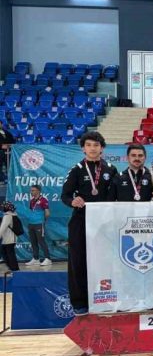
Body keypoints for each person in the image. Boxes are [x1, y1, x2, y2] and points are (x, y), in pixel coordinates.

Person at [62, 131, 119, 315]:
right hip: (81, 220)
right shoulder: (77, 169)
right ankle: (80, 303)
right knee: (78, 261)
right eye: (88, 145)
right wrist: (72, 201)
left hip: (105, 222)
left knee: (105, 260)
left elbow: (118, 194)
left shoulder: (111, 169)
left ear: (102, 148)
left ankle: (106, 297)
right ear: (83, 148)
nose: (92, 148)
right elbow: (65, 195)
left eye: (96, 145)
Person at [25, 184, 51, 266]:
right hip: (31, 223)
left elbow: (47, 213)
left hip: (39, 223)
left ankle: (48, 259)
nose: (31, 192)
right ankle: (36, 259)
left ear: (38, 191)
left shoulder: (43, 200)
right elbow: (32, 211)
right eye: (31, 190)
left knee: (41, 241)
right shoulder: (32, 200)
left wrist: (42, 220)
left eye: (33, 190)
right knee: (33, 242)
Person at [0, 202, 19, 271]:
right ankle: (14, 268)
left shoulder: (7, 216)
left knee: (9, 254)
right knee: (7, 253)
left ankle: (14, 269)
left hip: (9, 238)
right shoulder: (12, 215)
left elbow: (2, 228)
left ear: (6, 208)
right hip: (9, 238)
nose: (2, 208)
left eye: (3, 207)